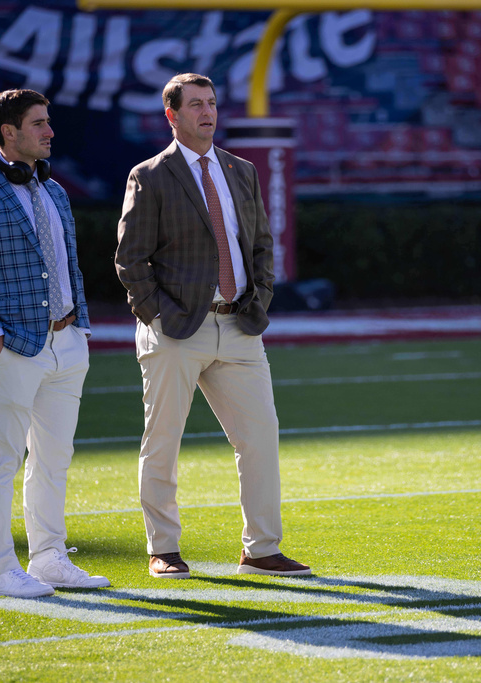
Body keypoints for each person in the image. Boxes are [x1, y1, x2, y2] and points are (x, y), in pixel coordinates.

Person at [115, 73, 310, 578]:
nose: (208, 112)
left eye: (212, 103)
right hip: (177, 326)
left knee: (261, 437)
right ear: (172, 115)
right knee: (163, 443)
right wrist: (154, 313)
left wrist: (258, 300)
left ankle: (261, 548)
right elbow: (129, 257)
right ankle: (163, 548)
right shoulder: (150, 175)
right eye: (196, 104)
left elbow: (262, 246)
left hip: (240, 325)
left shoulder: (241, 170)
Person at [0, 89, 110, 598]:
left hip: (65, 343)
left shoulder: (54, 191)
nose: (50, 131)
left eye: (48, 122)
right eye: (39, 124)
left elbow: (68, 262)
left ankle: (50, 558)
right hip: (8, 349)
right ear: (8, 132)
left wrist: (78, 326)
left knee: (53, 459)